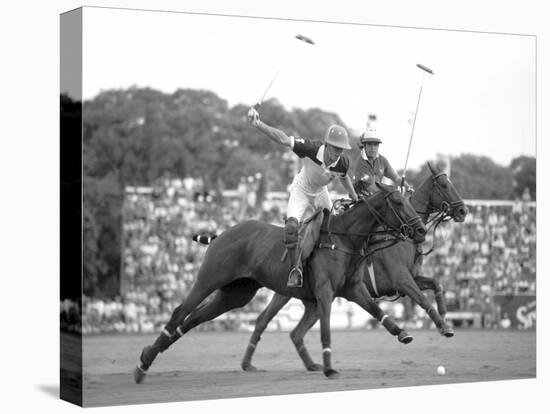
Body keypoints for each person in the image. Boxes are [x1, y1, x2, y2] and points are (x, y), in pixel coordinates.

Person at [247, 106, 358, 287]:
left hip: (321, 193)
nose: (338, 153)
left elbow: (345, 179)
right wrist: (258, 124)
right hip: (301, 190)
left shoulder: (343, 162)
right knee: (291, 227)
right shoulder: (311, 148)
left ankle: (329, 267)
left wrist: (355, 198)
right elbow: (283, 139)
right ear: (327, 144)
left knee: (335, 229)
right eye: (335, 148)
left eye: (341, 149)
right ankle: (295, 270)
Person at [353, 127, 412, 196]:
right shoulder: (361, 163)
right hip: (361, 199)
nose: (372, 148)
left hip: (377, 198)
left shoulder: (382, 160)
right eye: (369, 144)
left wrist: (408, 188)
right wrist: (394, 192)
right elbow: (371, 188)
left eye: (375, 144)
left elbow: (396, 179)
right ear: (364, 145)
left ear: (378, 146)